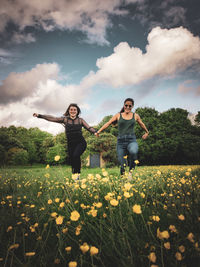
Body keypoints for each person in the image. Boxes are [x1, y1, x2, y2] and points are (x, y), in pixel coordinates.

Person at [33, 103, 97, 179]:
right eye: (71, 110)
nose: (73, 111)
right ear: (68, 111)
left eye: (75, 110)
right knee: (72, 160)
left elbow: (89, 128)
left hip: (81, 143)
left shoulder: (80, 120)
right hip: (70, 144)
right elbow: (52, 118)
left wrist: (95, 132)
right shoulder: (65, 119)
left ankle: (77, 175)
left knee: (76, 155)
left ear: (77, 111)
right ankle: (74, 176)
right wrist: (40, 116)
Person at [96, 98, 149, 178]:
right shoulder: (118, 115)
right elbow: (108, 123)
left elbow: (142, 124)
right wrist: (98, 131)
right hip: (120, 141)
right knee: (122, 162)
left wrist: (147, 132)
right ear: (123, 105)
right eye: (126, 105)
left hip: (131, 140)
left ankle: (130, 174)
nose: (127, 107)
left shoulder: (135, 116)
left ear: (132, 106)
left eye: (130, 106)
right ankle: (123, 178)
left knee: (134, 151)